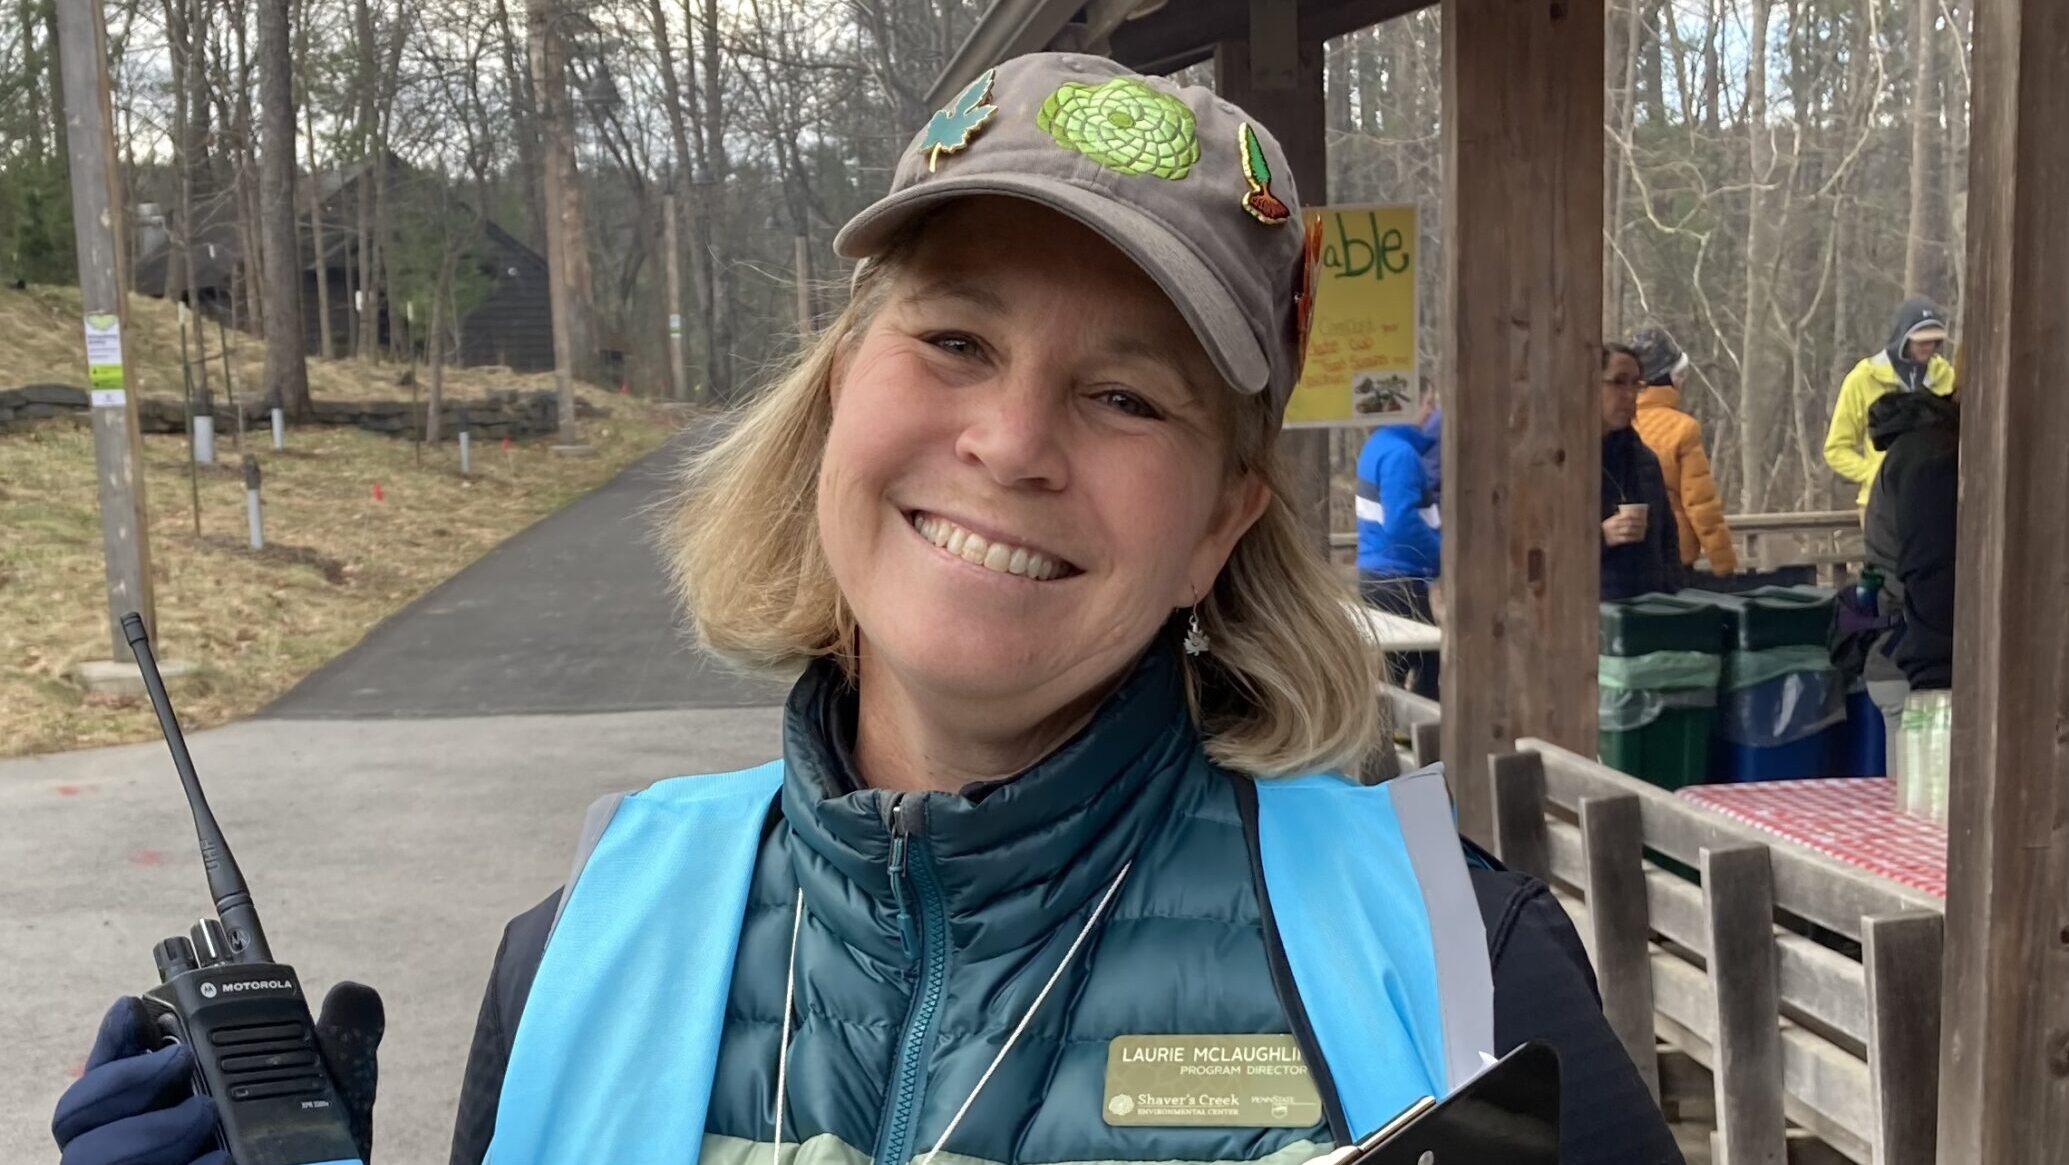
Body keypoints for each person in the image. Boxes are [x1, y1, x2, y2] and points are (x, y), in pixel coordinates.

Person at [52, 54, 1682, 1165]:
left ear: (1217, 526)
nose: (1010, 444)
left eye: (1126, 396)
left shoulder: (1453, 968)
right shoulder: (571, 960)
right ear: (837, 396)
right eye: (954, 341)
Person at [1860, 389, 1959, 779]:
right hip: (1915, 663)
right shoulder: (1931, 458)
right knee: (1922, 813)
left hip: (1897, 651)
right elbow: (1929, 572)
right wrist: (1935, 678)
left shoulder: (1908, 454)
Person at [1824, 297, 1956, 506]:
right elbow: (1836, 448)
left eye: (1934, 340)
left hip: (1933, 500)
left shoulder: (1946, 377)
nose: (1929, 346)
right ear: (1903, 338)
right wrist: (1875, 474)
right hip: (1882, 502)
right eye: (1921, 340)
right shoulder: (1863, 378)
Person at [1627, 327, 1738, 575]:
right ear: (1669, 380)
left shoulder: (1616, 422)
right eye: (1680, 374)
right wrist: (1724, 564)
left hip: (1624, 553)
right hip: (1674, 553)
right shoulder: (1683, 429)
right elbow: (1701, 504)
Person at [1355, 385, 1441, 697]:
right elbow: (1402, 524)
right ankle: (1421, 736)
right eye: (1427, 402)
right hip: (1399, 577)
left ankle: (1392, 734)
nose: (1431, 411)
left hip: (1378, 573)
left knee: (1396, 666)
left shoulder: (1377, 444)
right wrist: (1443, 556)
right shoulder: (1401, 454)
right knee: (1430, 664)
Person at [1601, 343, 1682, 601]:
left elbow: (1668, 540)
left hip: (1648, 608)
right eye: (1618, 382)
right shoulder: (1561, 463)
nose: (1629, 395)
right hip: (1590, 613)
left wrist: (1671, 593)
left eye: (1636, 384)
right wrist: (1602, 536)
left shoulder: (1644, 459)